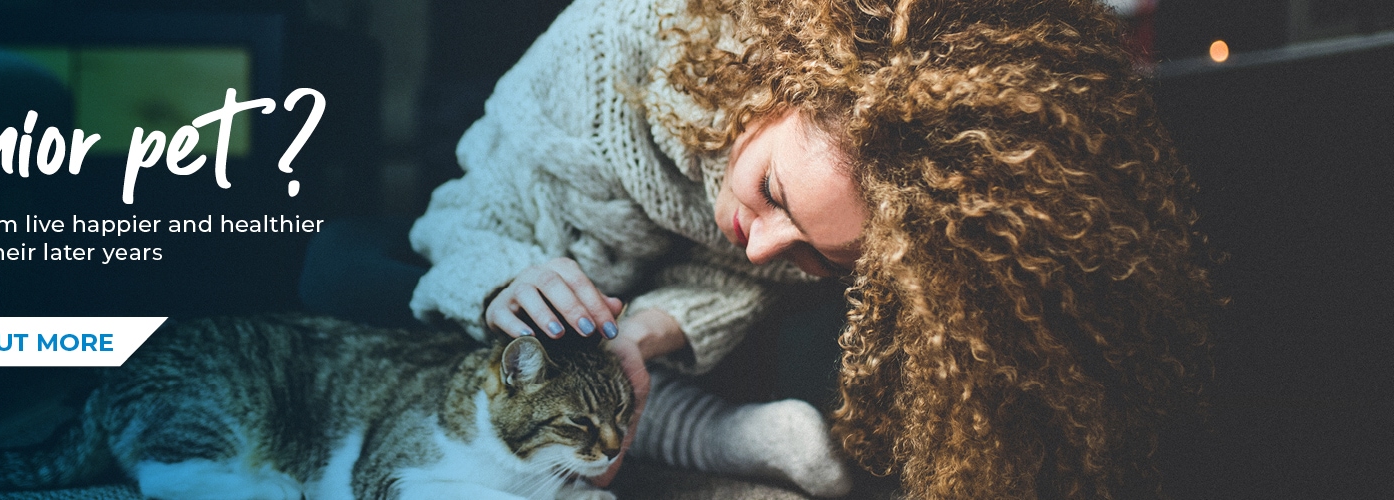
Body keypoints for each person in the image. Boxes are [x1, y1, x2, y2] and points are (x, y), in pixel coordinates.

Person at [305, 0, 1217, 497]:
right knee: (341, 274)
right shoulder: (618, 42)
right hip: (502, 272)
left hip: (633, 337)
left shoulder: (828, 223)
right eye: (774, 194)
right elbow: (457, 218)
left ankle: (709, 433)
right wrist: (509, 282)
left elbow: (738, 289)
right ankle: (715, 439)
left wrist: (646, 337)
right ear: (781, 79)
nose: (764, 245)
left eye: (822, 253)